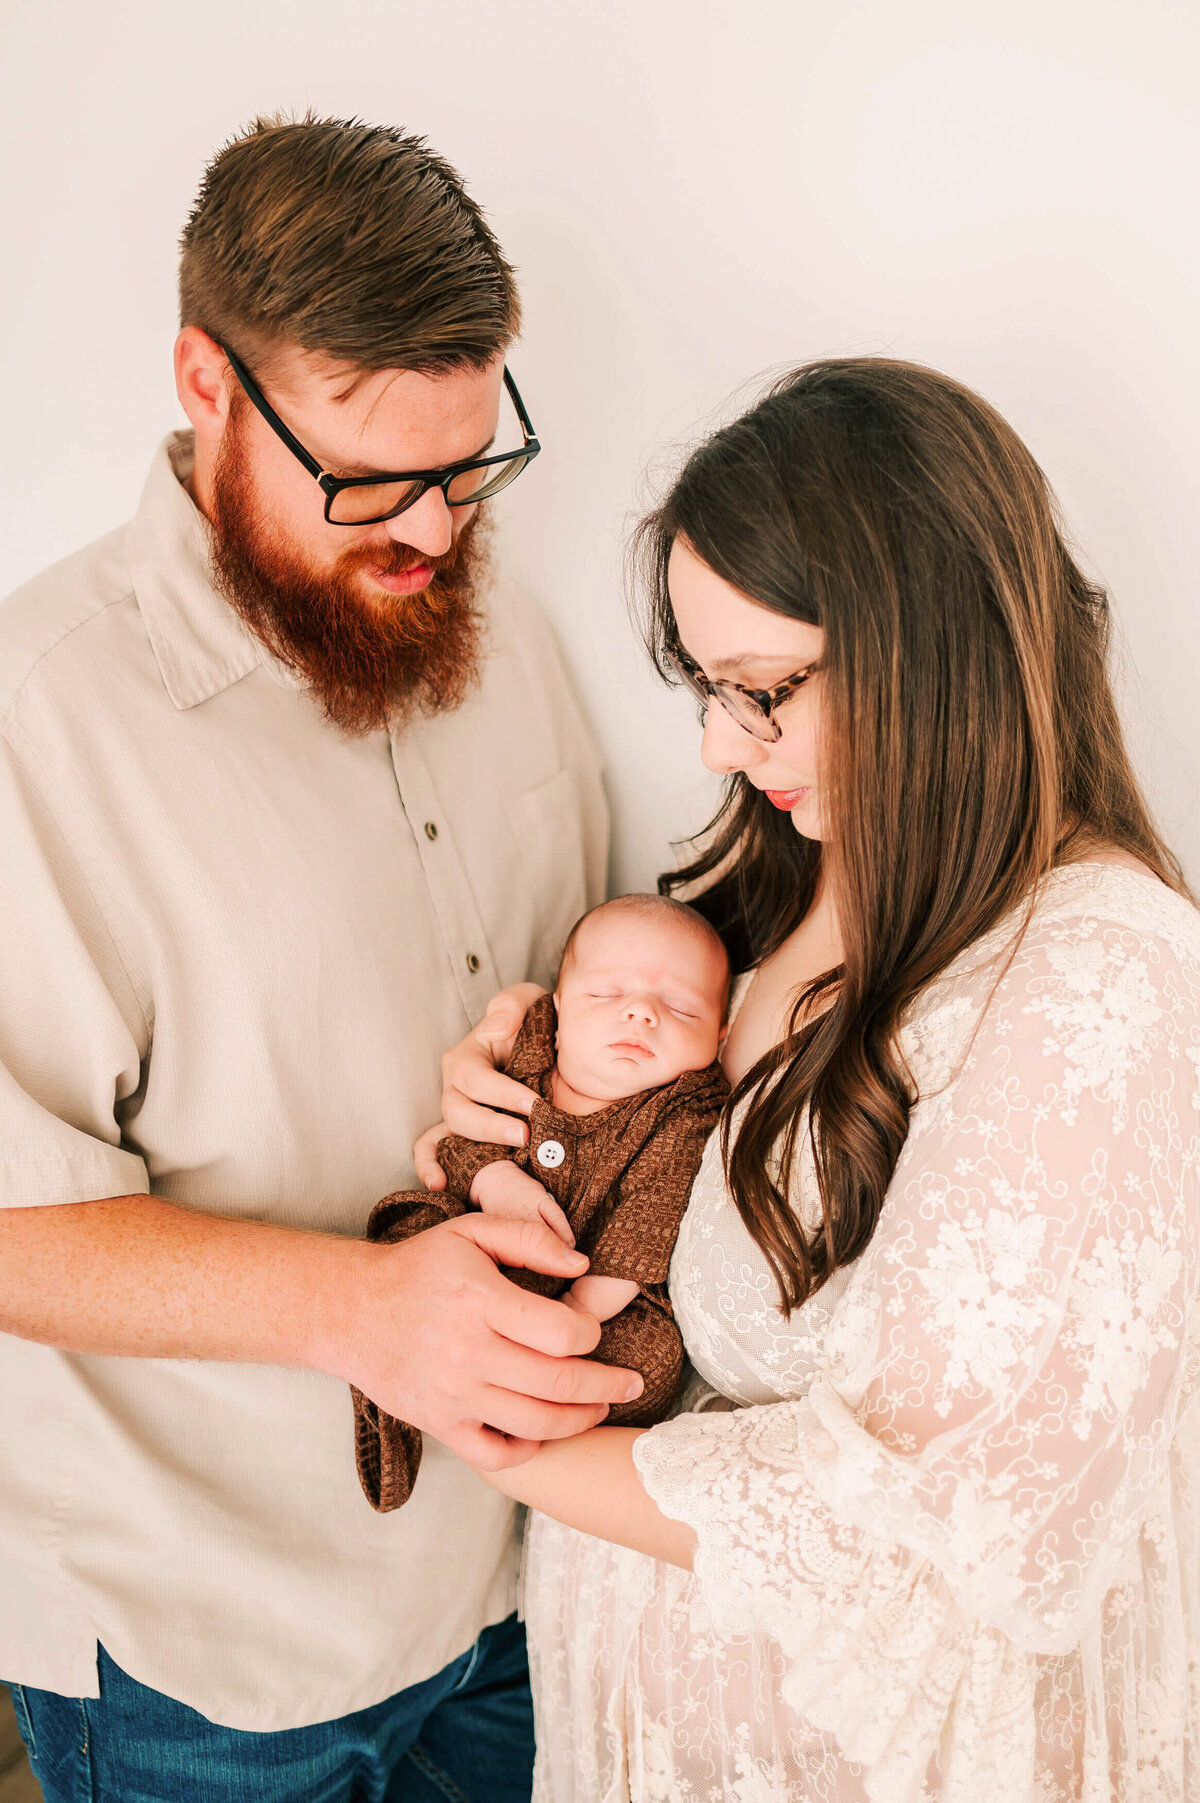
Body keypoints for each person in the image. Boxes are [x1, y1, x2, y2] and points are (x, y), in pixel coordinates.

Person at [421, 358, 1200, 1800]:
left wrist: (490, 1425)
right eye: (709, 690)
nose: (721, 744)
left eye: (764, 690)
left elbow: (921, 1508)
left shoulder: (1104, 980)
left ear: (935, 649)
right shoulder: (815, 876)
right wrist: (548, 1088)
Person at [0, 113, 634, 1803]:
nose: (432, 528)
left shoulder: (495, 629)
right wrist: (366, 1308)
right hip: (202, 1649)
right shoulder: (37, 718)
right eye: (368, 475)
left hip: (517, 1576)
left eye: (471, 458)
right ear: (207, 383)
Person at [352, 893, 731, 1509]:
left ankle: (503, 1410)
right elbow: (460, 1142)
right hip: (477, 1248)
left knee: (647, 1362)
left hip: (603, 1299)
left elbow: (649, 1220)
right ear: (557, 1005)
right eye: (606, 995)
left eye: (680, 1008)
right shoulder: (529, 1049)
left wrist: (579, 1313)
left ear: (721, 1033)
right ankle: (387, 1403)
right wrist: (493, 1178)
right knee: (411, 1231)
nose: (640, 1014)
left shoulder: (684, 1110)